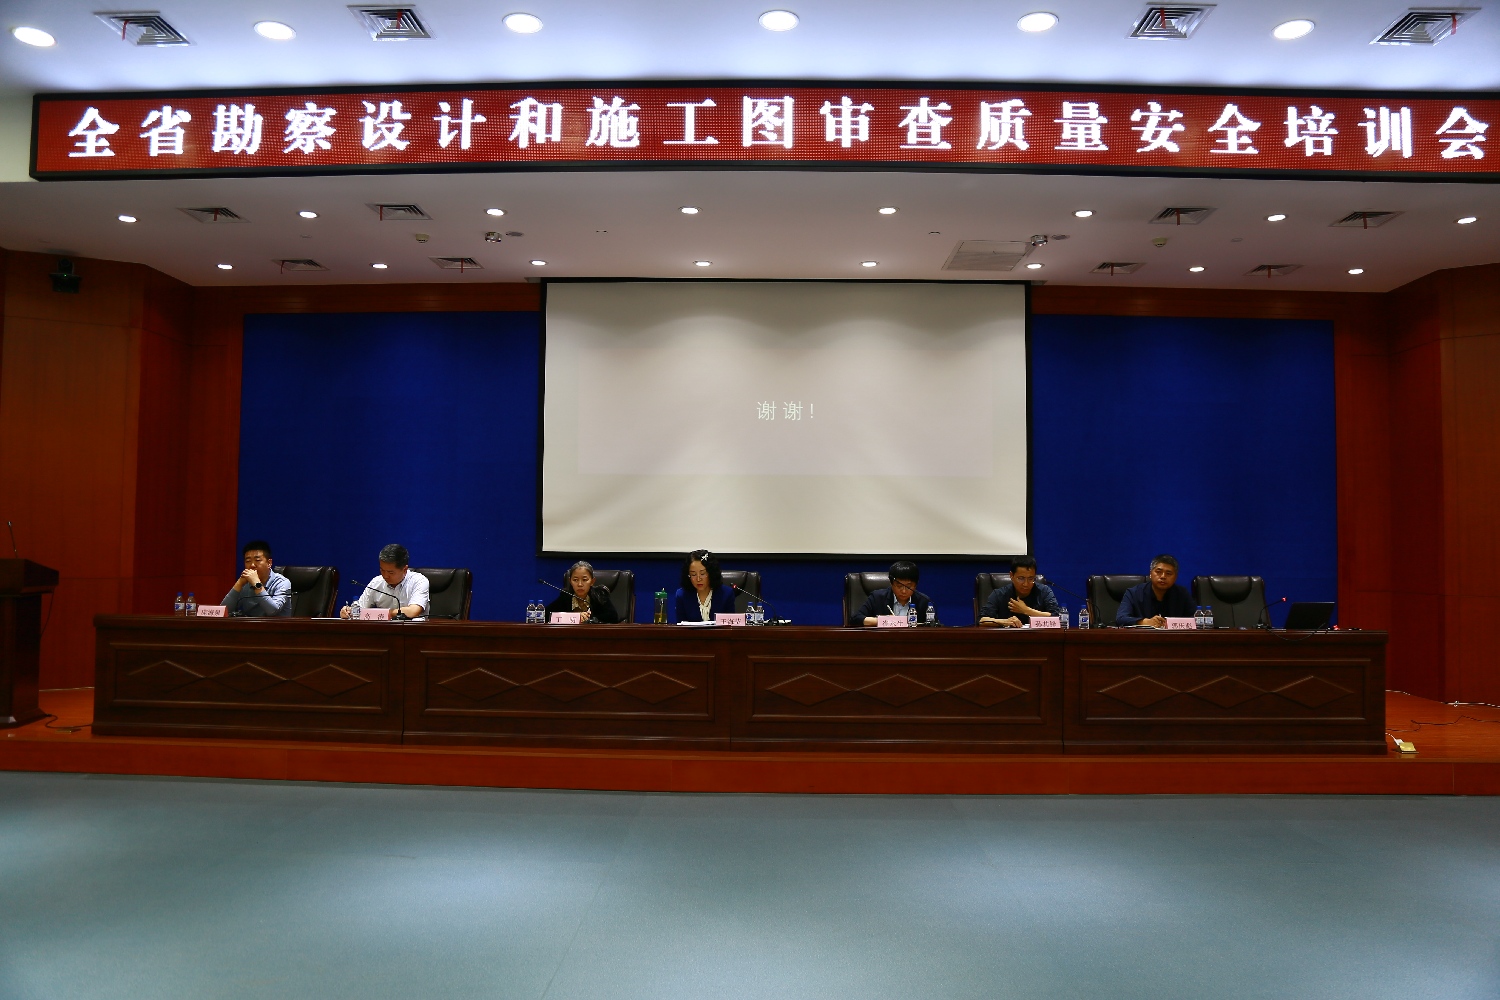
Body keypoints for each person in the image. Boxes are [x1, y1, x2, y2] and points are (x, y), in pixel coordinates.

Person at [341, 543, 429, 620]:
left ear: (405, 569)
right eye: (382, 570)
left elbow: (413, 611)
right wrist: (349, 612)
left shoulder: (419, 581)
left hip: (412, 630)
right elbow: (360, 610)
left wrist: (383, 613)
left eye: (391, 572)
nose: (385, 576)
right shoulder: (376, 582)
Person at [1116, 554, 1196, 627]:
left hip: (1173, 637)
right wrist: (1144, 622)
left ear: (1175, 577)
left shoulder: (1182, 594)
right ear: (1150, 574)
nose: (1163, 576)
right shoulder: (1134, 593)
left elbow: (1195, 619)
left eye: (1168, 573)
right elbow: (1121, 619)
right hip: (1143, 637)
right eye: (1158, 572)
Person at [979, 555, 1059, 627]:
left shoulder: (1044, 591)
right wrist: (1004, 622)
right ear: (1011, 576)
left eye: (1031, 579)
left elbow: (1056, 618)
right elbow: (981, 620)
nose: (1026, 584)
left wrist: (1026, 610)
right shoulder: (999, 594)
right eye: (1021, 578)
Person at [222, 539, 292, 617]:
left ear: (269, 563)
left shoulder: (282, 583)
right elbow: (224, 611)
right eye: (248, 561)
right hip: (250, 624)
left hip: (276, 624)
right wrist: (239, 584)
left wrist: (257, 584)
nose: (252, 565)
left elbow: (272, 611)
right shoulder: (246, 583)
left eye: (257, 560)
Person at [851, 560, 933, 627]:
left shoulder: (924, 602)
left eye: (908, 586)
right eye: (899, 586)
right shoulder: (877, 598)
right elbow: (855, 619)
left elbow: (933, 626)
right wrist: (884, 621)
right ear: (891, 583)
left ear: (916, 585)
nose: (904, 591)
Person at [546, 560, 620, 623]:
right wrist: (575, 617)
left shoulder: (599, 595)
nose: (580, 584)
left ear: (592, 581)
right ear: (570, 581)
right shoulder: (565, 596)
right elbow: (547, 615)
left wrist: (590, 619)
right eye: (575, 580)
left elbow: (613, 617)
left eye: (584, 580)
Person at [674, 549, 735, 623]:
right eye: (693, 574)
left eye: (702, 574)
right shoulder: (682, 595)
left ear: (711, 573)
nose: (698, 579)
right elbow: (680, 625)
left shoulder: (726, 594)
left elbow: (731, 625)